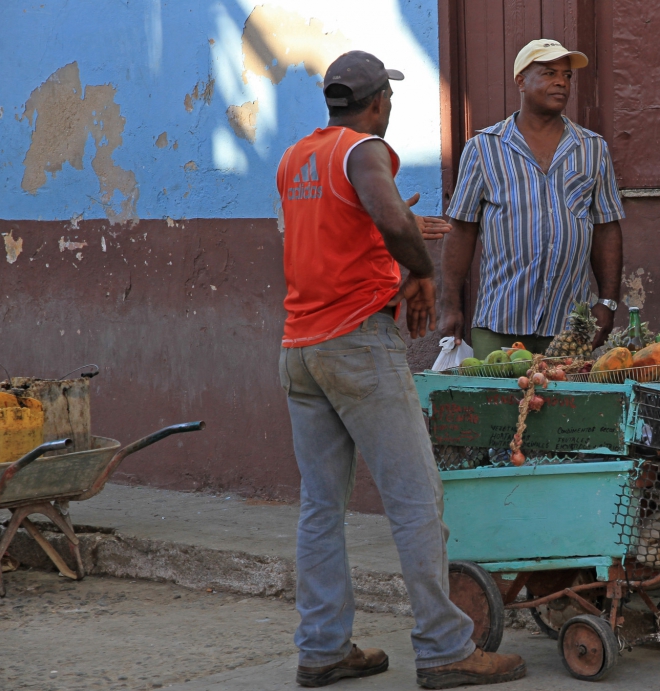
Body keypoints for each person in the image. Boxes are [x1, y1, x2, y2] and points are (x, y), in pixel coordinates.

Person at [276, 50, 526, 689]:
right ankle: (445, 648)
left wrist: (398, 238)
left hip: (300, 349)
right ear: (378, 102)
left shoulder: (297, 158)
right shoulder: (363, 152)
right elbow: (387, 220)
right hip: (357, 346)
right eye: (388, 99)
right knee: (417, 497)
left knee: (320, 508)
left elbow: (344, 236)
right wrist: (419, 270)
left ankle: (323, 647)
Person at [439, 39, 625, 357]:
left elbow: (606, 228)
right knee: (498, 406)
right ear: (521, 82)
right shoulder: (484, 148)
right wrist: (450, 303)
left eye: (567, 76)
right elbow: (461, 229)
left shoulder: (593, 149)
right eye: (549, 73)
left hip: (570, 326)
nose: (561, 82)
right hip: (500, 324)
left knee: (568, 406)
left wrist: (607, 301)